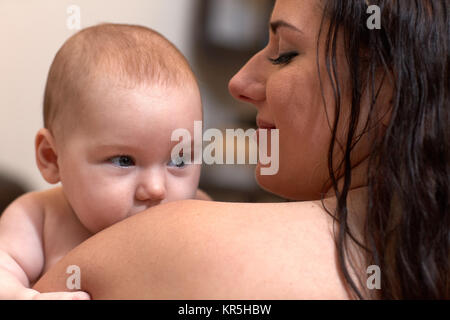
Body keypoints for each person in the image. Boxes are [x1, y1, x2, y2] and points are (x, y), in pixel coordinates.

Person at [33, 0, 448, 299]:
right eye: (123, 160)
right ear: (50, 157)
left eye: (284, 54)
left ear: (390, 87)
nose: (239, 82)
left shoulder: (166, 241)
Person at [0, 23, 210, 300]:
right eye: (124, 160)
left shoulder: (199, 214)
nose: (157, 189)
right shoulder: (37, 219)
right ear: (52, 158)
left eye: (179, 160)